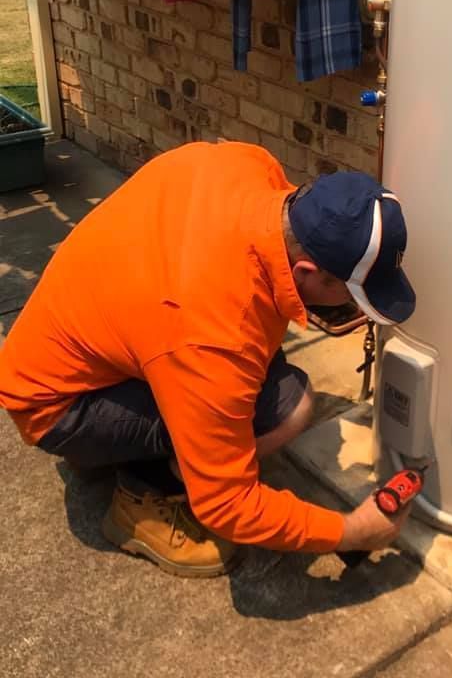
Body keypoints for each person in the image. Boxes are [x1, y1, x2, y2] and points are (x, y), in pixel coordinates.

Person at [0, 141, 416, 577]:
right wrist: (352, 531)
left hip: (77, 341)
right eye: (351, 296)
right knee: (288, 406)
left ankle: (113, 450)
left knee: (257, 376)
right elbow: (228, 505)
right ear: (306, 272)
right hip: (56, 407)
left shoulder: (249, 166)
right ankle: (144, 496)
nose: (350, 308)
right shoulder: (215, 337)